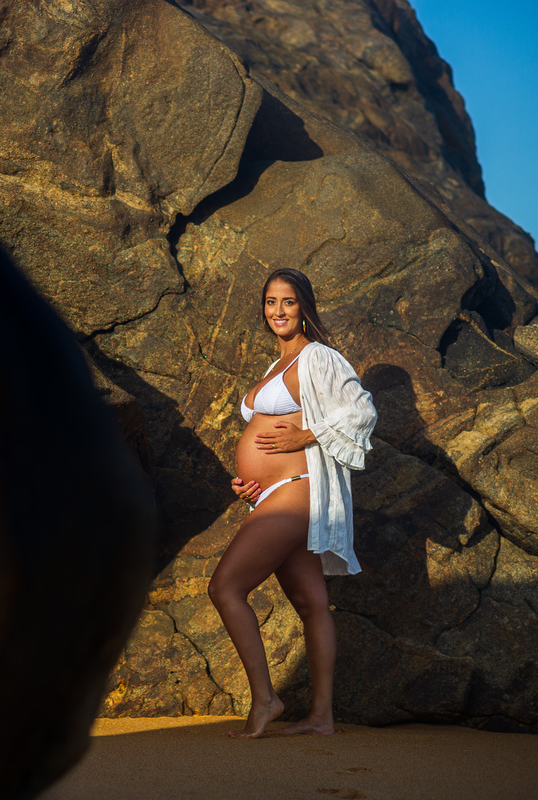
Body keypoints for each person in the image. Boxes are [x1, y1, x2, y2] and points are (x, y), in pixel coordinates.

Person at [207, 268, 376, 738]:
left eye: (288, 301)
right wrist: (250, 484)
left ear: (305, 306)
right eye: (270, 302)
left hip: (298, 491)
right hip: (274, 493)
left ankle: (266, 700)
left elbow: (361, 409)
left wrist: (308, 434)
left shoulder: (318, 357)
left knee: (225, 588)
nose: (278, 311)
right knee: (310, 602)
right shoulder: (274, 366)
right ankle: (322, 716)